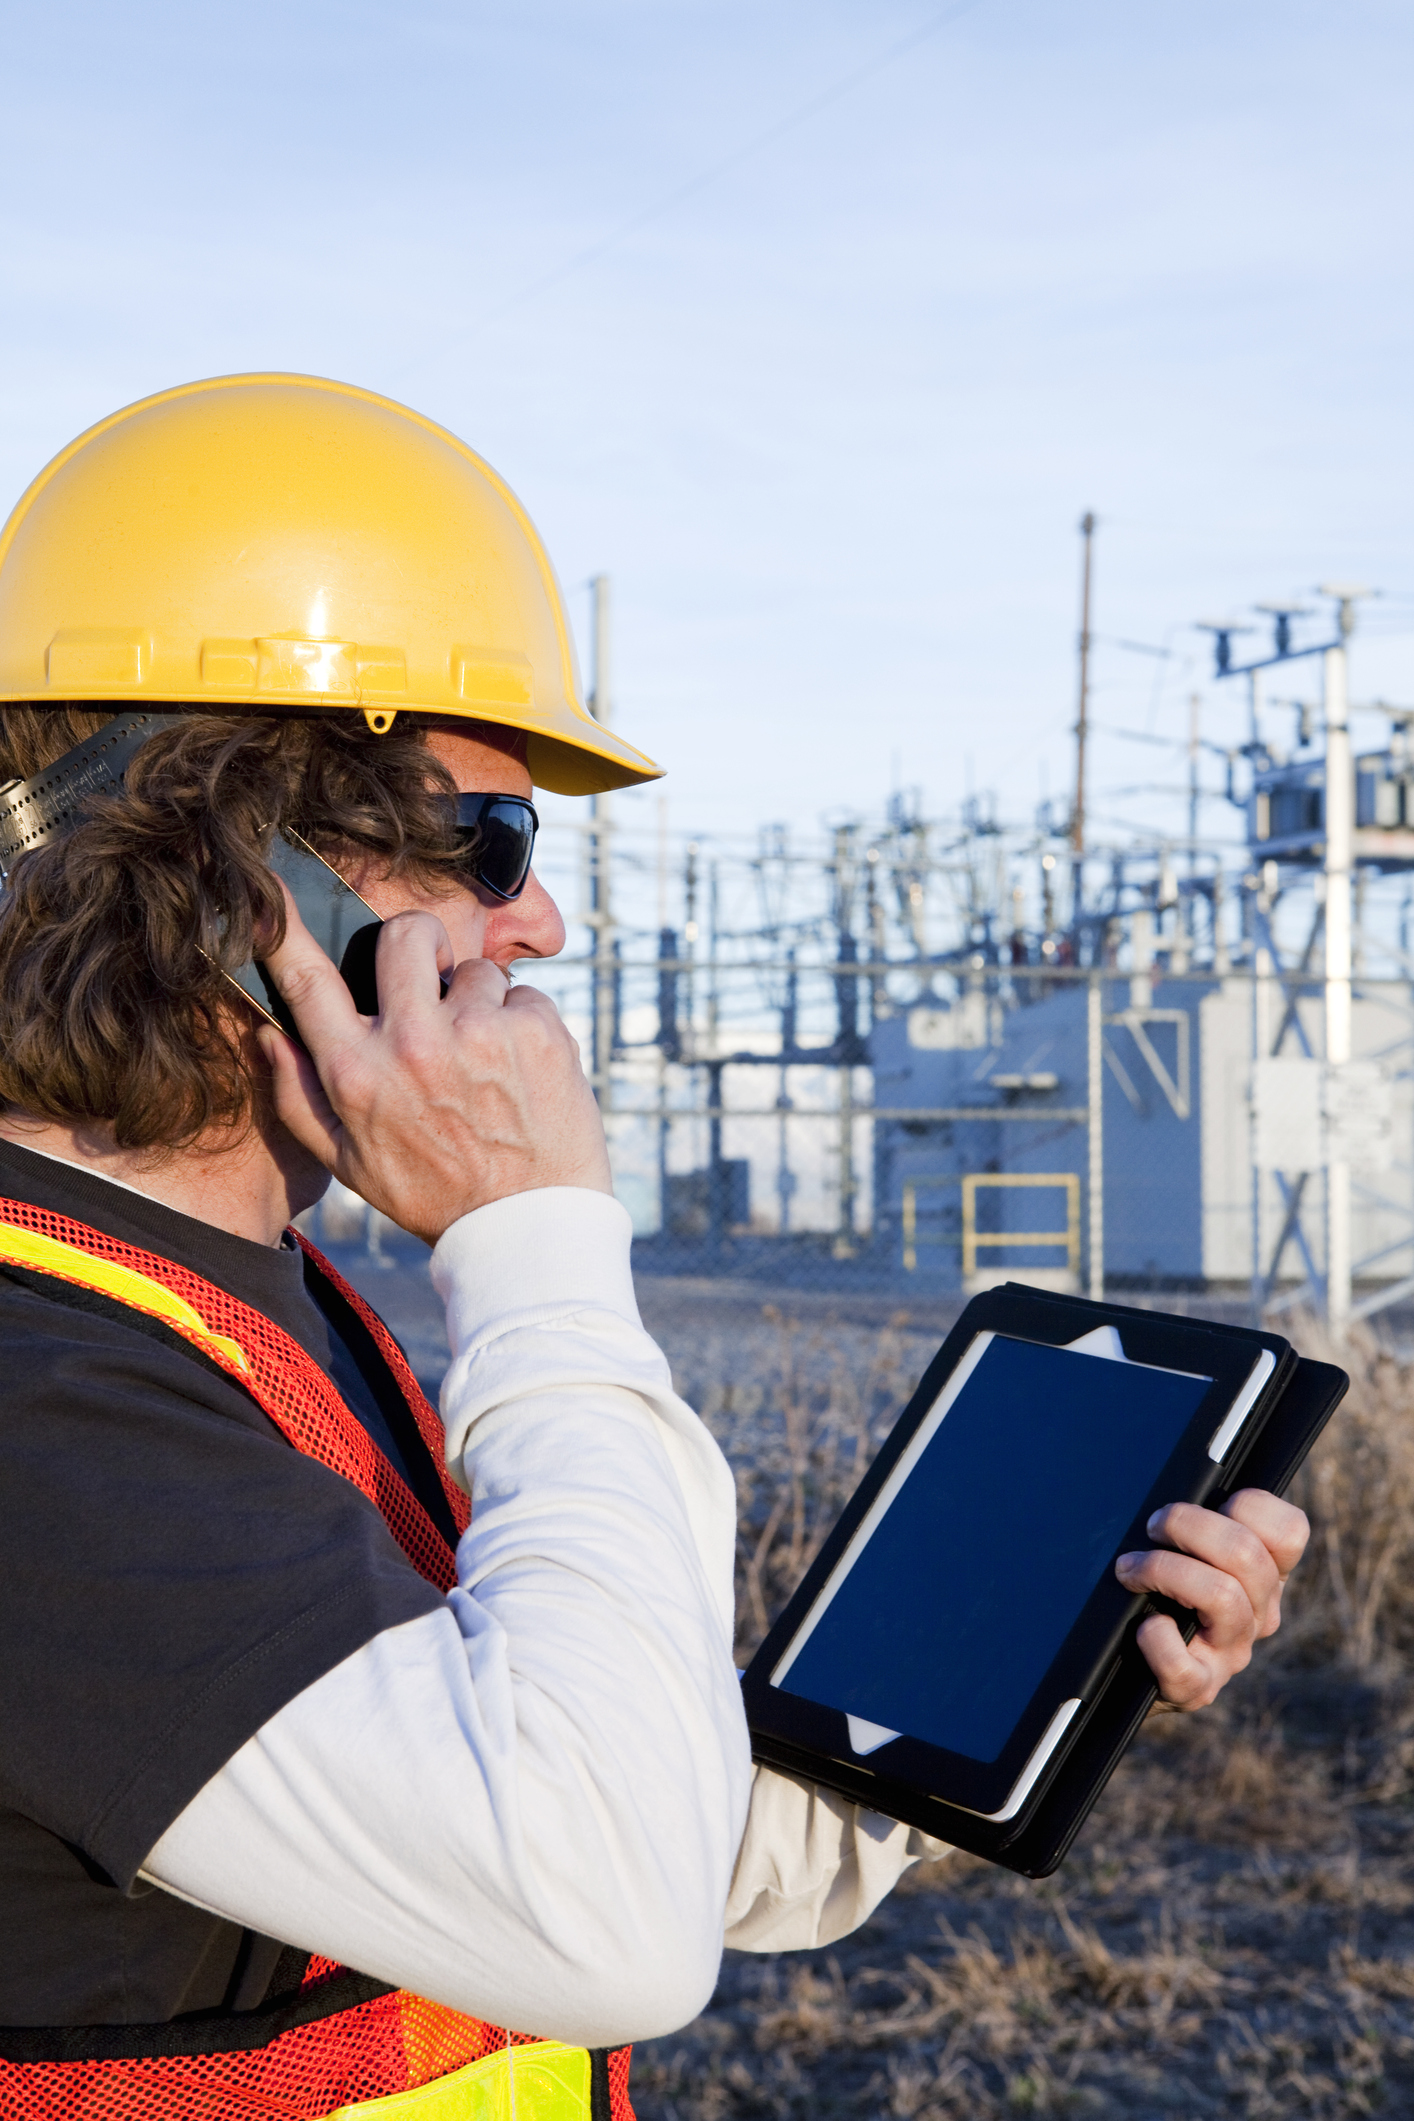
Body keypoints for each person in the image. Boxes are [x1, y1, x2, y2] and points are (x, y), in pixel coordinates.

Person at [0, 376, 1307, 2121]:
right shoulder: (43, 1400)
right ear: (238, 871)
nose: (544, 916)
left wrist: (1035, 1669)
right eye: (492, 834)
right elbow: (600, 1916)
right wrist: (536, 1243)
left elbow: (622, 1817)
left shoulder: (269, 1317)